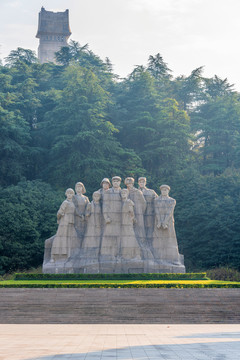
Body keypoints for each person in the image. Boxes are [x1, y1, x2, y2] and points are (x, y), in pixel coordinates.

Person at [153, 185, 181, 264]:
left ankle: (174, 260)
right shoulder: (156, 200)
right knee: (158, 240)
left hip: (168, 222)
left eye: (165, 190)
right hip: (158, 222)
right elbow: (156, 211)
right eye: (162, 190)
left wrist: (164, 222)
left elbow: (170, 212)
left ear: (168, 191)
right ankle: (159, 258)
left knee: (171, 240)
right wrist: (159, 221)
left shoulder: (172, 200)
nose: (164, 191)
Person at [51, 188, 80, 262]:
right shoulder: (65, 202)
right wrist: (59, 217)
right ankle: (53, 256)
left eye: (71, 193)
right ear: (66, 194)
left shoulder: (72, 203)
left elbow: (76, 212)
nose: (70, 195)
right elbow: (59, 212)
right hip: (64, 222)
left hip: (71, 222)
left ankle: (68, 254)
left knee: (69, 239)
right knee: (60, 237)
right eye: (68, 193)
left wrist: (82, 216)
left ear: (73, 195)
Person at [100, 176, 122, 261]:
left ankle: (118, 254)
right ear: (112, 183)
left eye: (117, 181)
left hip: (120, 218)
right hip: (110, 218)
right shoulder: (108, 192)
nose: (116, 182)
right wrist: (106, 217)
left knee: (119, 237)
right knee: (108, 236)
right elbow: (105, 205)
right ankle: (107, 254)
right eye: (114, 181)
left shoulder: (122, 192)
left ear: (120, 182)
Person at [120, 189, 141, 260]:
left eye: (124, 193)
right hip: (123, 223)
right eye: (122, 193)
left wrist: (131, 220)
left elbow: (131, 212)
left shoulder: (129, 202)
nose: (123, 194)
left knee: (131, 238)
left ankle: (137, 255)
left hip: (128, 223)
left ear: (127, 194)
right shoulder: (121, 202)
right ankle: (127, 255)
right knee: (125, 239)